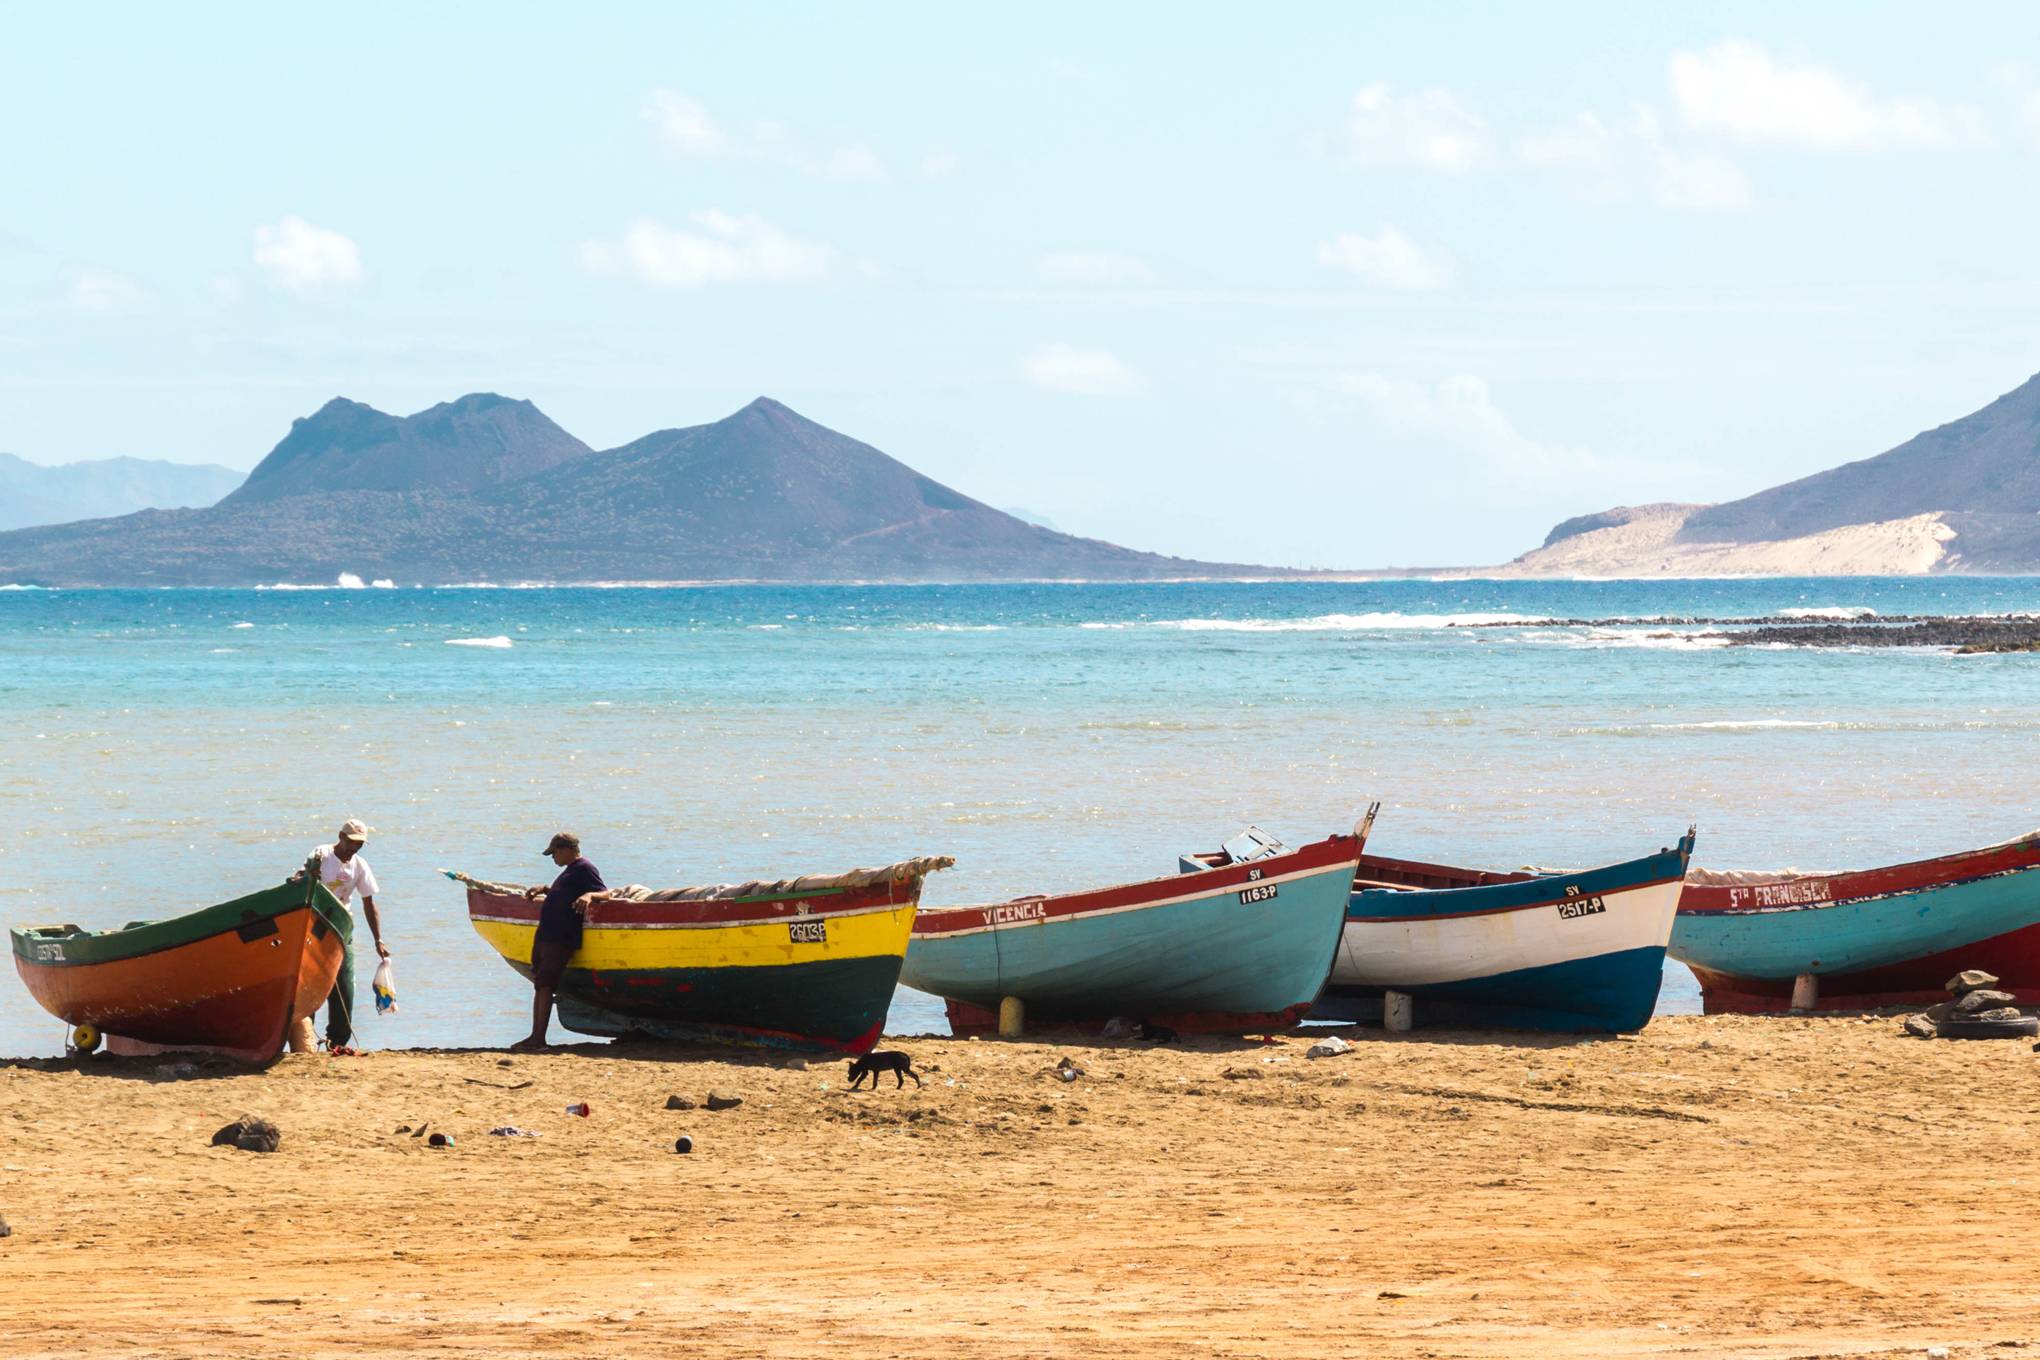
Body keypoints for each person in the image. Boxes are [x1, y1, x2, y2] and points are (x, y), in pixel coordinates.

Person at [291, 818, 390, 1053]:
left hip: (341, 929)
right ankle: (304, 1041)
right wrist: (301, 877)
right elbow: (305, 875)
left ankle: (337, 1041)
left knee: (344, 987)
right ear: (340, 837)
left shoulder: (360, 866)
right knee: (309, 984)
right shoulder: (322, 854)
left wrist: (378, 939)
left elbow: (369, 904)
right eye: (351, 843)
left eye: (359, 845)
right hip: (313, 929)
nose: (353, 849)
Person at [514, 831, 604, 1050]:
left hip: (561, 937)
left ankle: (538, 1039)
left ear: (567, 850)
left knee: (545, 985)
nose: (553, 858)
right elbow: (563, 894)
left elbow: (604, 893)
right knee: (540, 984)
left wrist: (589, 896)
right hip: (548, 934)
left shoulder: (584, 868)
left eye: (555, 853)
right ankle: (535, 1036)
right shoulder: (570, 871)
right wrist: (544, 889)